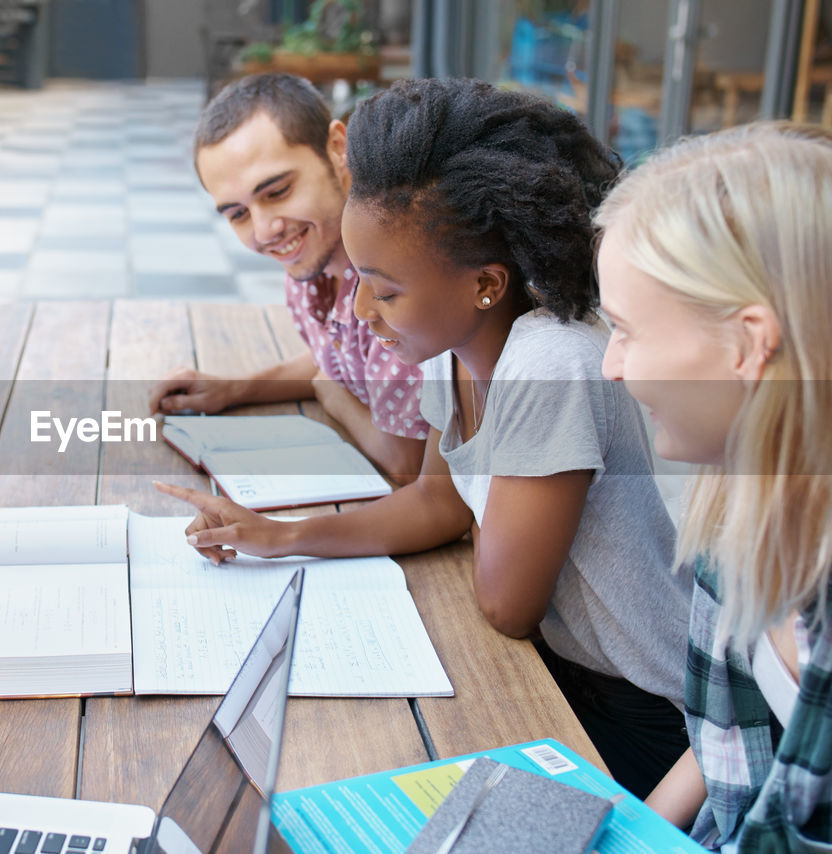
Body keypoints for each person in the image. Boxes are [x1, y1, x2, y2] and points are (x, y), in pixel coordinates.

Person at [155, 77, 692, 799]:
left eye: (385, 286)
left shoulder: (548, 361)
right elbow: (437, 505)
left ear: (485, 284)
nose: (363, 310)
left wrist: (472, 528)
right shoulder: (452, 345)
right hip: (560, 673)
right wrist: (276, 535)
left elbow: (506, 603)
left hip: (639, 714)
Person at [597, 123, 832, 849]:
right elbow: (724, 743)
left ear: (749, 342)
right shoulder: (741, 499)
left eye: (626, 331)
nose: (611, 366)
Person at [146, 73, 428, 482]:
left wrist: (331, 394)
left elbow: (407, 461)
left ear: (337, 148)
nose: (264, 232)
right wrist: (233, 389)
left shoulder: (393, 277)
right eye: (238, 214)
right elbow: (340, 358)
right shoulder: (312, 263)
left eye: (277, 192)